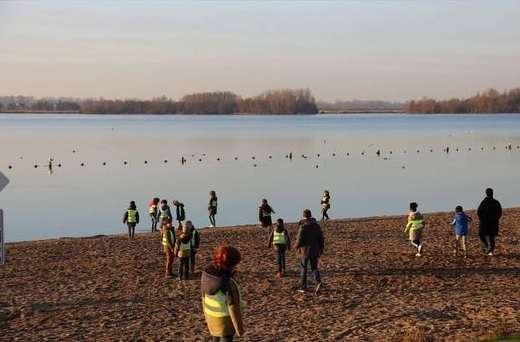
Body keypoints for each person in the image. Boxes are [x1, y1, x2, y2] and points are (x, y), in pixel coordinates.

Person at [201, 246, 245, 341]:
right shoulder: (228, 283)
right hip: (225, 321)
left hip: (211, 317)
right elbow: (233, 307)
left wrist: (206, 316)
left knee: (215, 339)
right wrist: (239, 330)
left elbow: (203, 296)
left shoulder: (206, 274)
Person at [295, 209, 324, 293]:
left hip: (304, 250)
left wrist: (296, 247)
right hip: (315, 249)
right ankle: (318, 282)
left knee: (303, 268)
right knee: (314, 267)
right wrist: (321, 248)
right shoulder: (316, 226)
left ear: (304, 216)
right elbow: (321, 238)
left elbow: (299, 238)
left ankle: (303, 287)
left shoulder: (303, 226)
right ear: (310, 215)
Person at [477, 188, 502, 256]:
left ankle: (488, 248)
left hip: (485, 222)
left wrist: (482, 219)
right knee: (491, 237)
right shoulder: (496, 202)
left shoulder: (484, 202)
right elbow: (500, 212)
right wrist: (495, 219)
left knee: (482, 235)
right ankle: (490, 250)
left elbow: (479, 212)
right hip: (492, 222)